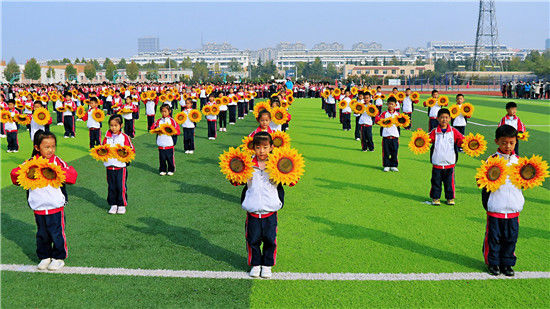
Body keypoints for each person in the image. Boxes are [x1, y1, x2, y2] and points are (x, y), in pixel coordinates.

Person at [10, 130, 78, 271]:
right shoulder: (30, 163)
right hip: (39, 207)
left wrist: (56, 171)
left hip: (55, 206)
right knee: (42, 234)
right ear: (37, 147)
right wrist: (26, 172)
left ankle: (59, 257)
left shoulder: (57, 161)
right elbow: (15, 175)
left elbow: (72, 176)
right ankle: (44, 256)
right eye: (47, 147)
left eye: (53, 146)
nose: (50, 150)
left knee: (57, 233)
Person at [234, 132, 288, 278]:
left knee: (271, 240)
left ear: (271, 147)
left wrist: (286, 171)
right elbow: (236, 180)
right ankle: (255, 264)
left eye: (265, 147)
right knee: (252, 240)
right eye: (258, 147)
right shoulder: (248, 165)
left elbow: (291, 180)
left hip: (270, 212)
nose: (261, 151)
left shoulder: (277, 164)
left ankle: (267, 265)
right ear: (253, 148)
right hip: (252, 212)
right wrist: (236, 171)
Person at [481, 125, 524, 277]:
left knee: (511, 238)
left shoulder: (520, 162)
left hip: (513, 209)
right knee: (494, 238)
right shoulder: (491, 160)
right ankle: (493, 263)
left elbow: (523, 184)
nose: (508, 146)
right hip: (496, 208)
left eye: (511, 143)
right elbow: (482, 183)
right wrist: (488, 205)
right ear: (497, 142)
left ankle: (507, 263)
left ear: (516, 142)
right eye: (504, 142)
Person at [428, 108, 464, 206]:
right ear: (438, 119)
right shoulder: (434, 132)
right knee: (436, 182)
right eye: (442, 117)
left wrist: (468, 143)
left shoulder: (454, 131)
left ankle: (450, 198)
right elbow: (428, 140)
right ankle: (435, 198)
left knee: (450, 183)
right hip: (437, 163)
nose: (444, 119)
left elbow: (461, 140)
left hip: (449, 163)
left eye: (446, 117)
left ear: (450, 119)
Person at [103, 114, 135, 215]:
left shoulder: (124, 137)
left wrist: (125, 157)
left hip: (120, 167)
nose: (113, 128)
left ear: (121, 125)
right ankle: (113, 204)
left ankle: (121, 204)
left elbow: (131, 150)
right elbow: (103, 148)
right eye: (111, 125)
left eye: (115, 125)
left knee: (121, 186)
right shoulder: (107, 136)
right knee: (111, 186)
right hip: (109, 166)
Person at [151, 104, 180, 175]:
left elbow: (178, 131)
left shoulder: (172, 121)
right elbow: (152, 128)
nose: (164, 113)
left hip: (169, 143)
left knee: (170, 158)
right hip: (161, 142)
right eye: (162, 112)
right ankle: (162, 169)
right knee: (162, 158)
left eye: (165, 111)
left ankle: (171, 169)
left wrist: (171, 130)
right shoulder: (158, 121)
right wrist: (157, 129)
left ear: (169, 111)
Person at [375, 97, 400, 172]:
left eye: (392, 104)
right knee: (386, 152)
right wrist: (383, 121)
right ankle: (386, 165)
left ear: (395, 105)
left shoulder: (398, 114)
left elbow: (403, 123)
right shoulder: (384, 114)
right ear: (387, 105)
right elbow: (377, 120)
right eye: (389, 104)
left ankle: (394, 165)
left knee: (394, 151)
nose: (390, 106)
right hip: (386, 136)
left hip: (395, 136)